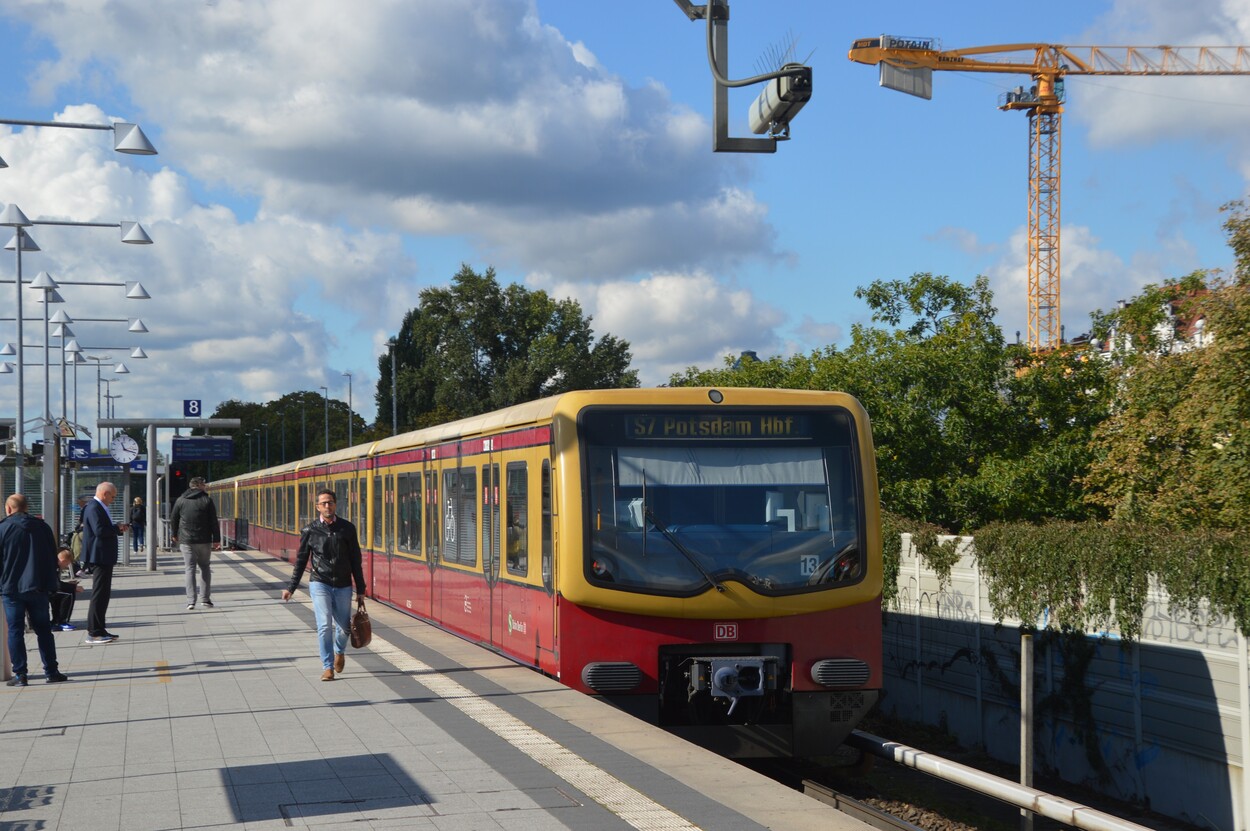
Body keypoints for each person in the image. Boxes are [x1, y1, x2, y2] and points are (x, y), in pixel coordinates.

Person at [281, 489, 366, 681]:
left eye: (330, 502)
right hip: (320, 582)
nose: (327, 506)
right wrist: (291, 588)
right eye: (324, 503)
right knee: (325, 625)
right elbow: (301, 561)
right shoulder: (310, 531)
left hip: (343, 584)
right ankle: (327, 667)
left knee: (344, 629)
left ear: (335, 505)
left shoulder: (347, 528)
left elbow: (356, 560)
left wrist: (361, 589)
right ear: (317, 507)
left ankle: (339, 651)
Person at [0, 494, 68, 685]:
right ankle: (51, 671)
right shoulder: (43, 527)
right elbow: (52, 557)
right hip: (38, 587)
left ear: (8, 508)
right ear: (26, 507)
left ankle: (20, 674)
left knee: (15, 631)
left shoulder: (3, 528)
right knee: (44, 630)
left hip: (11, 589)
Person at [81, 481, 128, 644]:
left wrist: (116, 528)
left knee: (103, 594)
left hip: (103, 556)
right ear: (105, 493)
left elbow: (102, 528)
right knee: (99, 594)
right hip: (99, 556)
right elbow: (99, 530)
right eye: (112, 497)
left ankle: (100, 629)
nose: (113, 500)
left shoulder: (98, 507)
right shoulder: (94, 507)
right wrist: (117, 528)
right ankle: (94, 632)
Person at [169, 477, 220, 610]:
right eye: (204, 484)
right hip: (204, 540)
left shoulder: (181, 500)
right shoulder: (207, 500)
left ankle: (191, 601)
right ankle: (205, 599)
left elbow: (174, 518)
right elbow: (213, 521)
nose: (205, 486)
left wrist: (174, 534)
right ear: (198, 486)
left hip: (186, 540)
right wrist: (216, 539)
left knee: (189, 569)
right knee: (205, 567)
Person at [50, 548, 83, 631]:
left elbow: (56, 583)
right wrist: (73, 587)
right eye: (67, 564)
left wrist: (69, 585)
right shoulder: (54, 567)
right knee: (68, 595)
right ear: (63, 561)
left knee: (66, 592)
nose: (66, 566)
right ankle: (63, 621)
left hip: (48, 589)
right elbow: (57, 585)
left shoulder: (54, 565)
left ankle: (56, 620)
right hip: (47, 591)